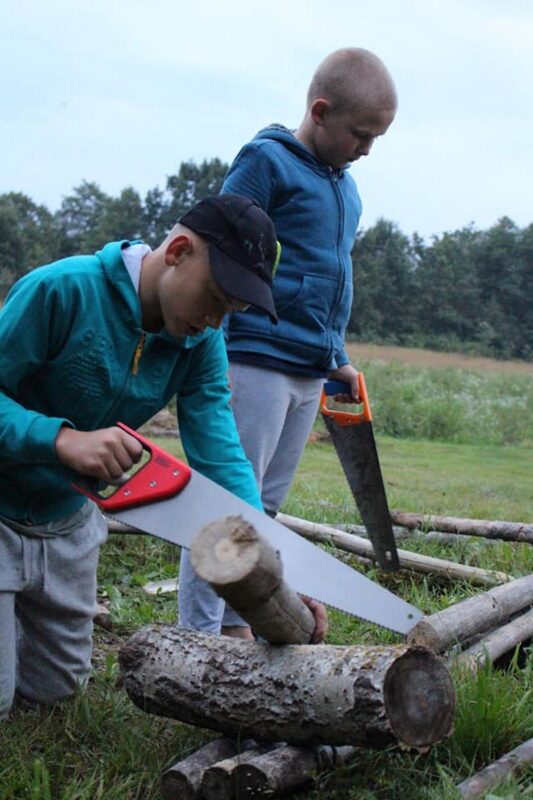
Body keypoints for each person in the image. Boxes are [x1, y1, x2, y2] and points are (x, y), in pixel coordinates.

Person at [0, 194, 327, 720]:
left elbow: (221, 456)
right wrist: (61, 440)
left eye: (229, 313)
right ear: (177, 251)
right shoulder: (62, 290)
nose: (214, 321)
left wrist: (277, 570)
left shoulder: (199, 343)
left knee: (53, 700)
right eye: (215, 299)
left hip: (64, 528)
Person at [179, 48, 397, 638]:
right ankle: (197, 637)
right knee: (226, 507)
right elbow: (219, 249)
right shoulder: (267, 161)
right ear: (320, 111)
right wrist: (211, 354)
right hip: (254, 358)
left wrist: (339, 359)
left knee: (264, 509)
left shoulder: (348, 191)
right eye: (360, 134)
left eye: (377, 138)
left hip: (309, 370)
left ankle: (235, 622)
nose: (367, 149)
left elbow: (332, 282)